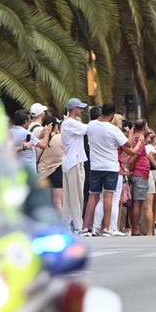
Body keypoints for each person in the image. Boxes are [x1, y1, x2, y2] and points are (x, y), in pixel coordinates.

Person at [82, 103, 127, 236]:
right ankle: (106, 228)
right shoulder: (113, 129)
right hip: (111, 167)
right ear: (112, 114)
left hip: (95, 166)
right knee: (108, 197)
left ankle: (86, 228)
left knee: (93, 196)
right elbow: (127, 144)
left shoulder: (91, 125)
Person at [60, 98, 89, 232]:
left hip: (70, 162)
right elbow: (87, 129)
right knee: (77, 196)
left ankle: (67, 225)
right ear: (73, 109)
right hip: (74, 162)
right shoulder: (71, 123)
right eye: (79, 108)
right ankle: (78, 226)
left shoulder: (68, 123)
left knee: (69, 197)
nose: (81, 110)